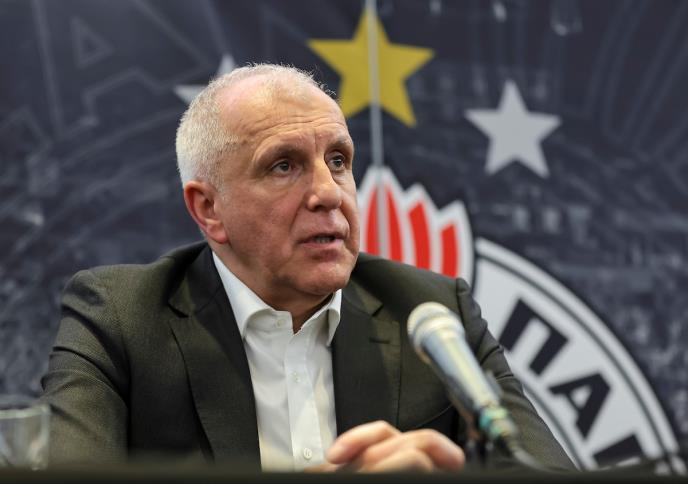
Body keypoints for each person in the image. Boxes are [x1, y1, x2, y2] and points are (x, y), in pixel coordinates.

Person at [42, 64, 574, 472]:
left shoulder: (431, 312)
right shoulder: (121, 320)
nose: (328, 193)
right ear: (209, 209)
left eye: (338, 161)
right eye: (284, 166)